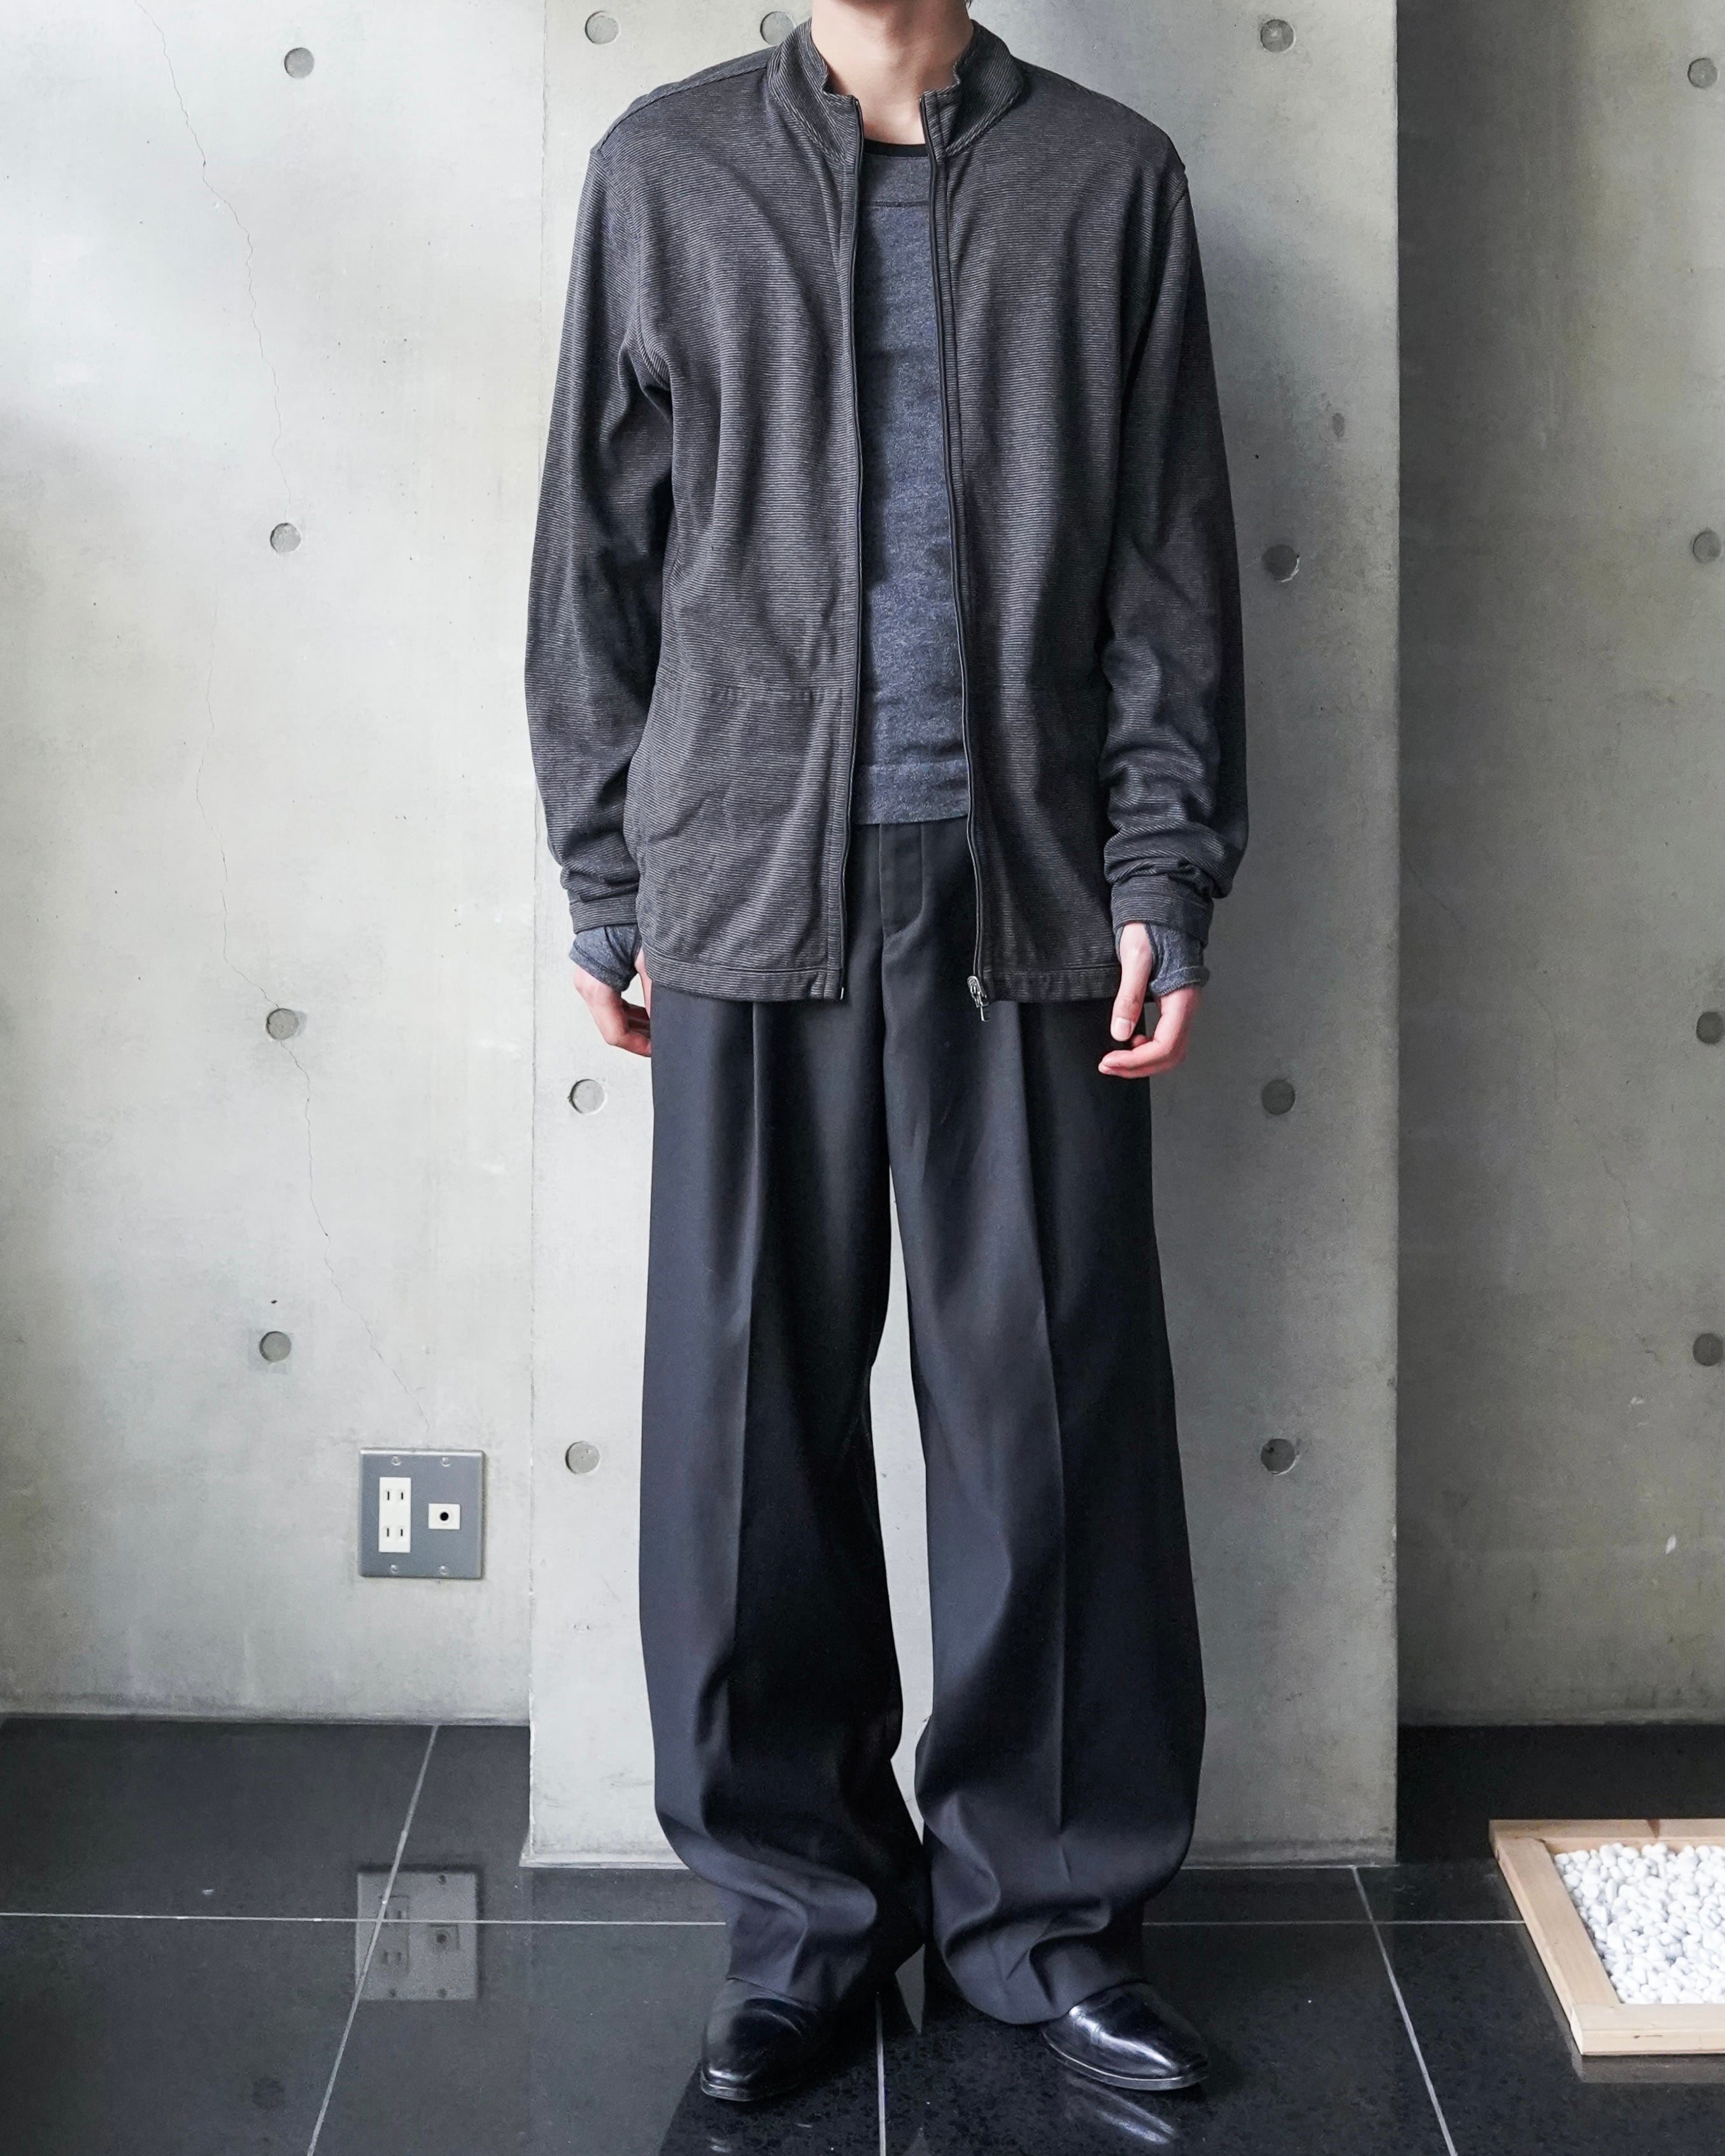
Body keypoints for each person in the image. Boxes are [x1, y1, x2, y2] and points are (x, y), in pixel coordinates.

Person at [525, 0, 1247, 2108]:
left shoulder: (1109, 181)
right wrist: (606, 871)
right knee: (745, 1436)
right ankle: (802, 1924)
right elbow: (594, 554)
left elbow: (1168, 572)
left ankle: (1051, 1923)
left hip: (1028, 891)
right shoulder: (666, 168)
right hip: (750, 883)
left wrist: (1163, 864)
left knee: (1051, 1428)